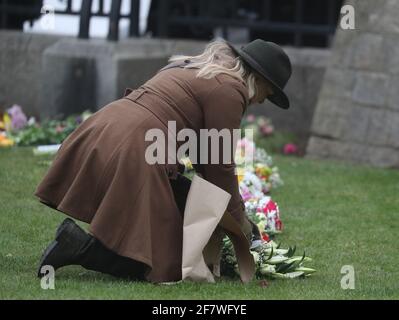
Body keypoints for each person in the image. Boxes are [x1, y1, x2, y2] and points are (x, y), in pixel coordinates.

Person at [35, 38, 292, 283]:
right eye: (266, 94)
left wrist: (226, 213)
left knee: (164, 229)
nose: (259, 102)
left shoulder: (193, 65)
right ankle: (79, 247)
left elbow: (205, 155)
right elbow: (219, 166)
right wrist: (242, 227)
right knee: (164, 264)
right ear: (257, 79)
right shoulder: (230, 89)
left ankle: (87, 243)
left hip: (106, 127)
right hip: (137, 146)